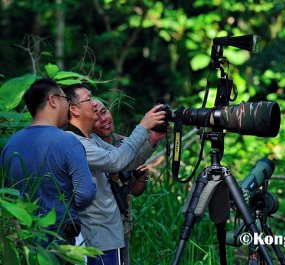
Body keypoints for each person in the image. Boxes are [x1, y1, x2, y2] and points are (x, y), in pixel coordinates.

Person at [62, 83, 166, 265]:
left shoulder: (91, 139)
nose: (94, 104)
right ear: (74, 110)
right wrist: (142, 126)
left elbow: (125, 163)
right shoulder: (74, 141)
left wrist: (152, 140)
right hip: (96, 236)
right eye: (88, 99)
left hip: (108, 233)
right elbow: (114, 161)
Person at [0, 78, 96, 245]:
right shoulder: (67, 142)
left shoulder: (10, 145)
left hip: (23, 240)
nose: (68, 106)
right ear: (53, 100)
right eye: (66, 99)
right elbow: (85, 193)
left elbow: (7, 197)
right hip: (59, 241)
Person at [91, 99, 165, 265]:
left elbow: (135, 190)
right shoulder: (91, 147)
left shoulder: (127, 143)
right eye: (96, 118)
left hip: (123, 225)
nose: (103, 119)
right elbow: (114, 161)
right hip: (100, 229)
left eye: (104, 112)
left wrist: (140, 176)